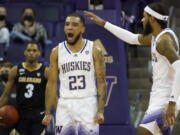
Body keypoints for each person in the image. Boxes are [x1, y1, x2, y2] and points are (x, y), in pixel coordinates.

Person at [84, 2, 180, 135]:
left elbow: (179, 69)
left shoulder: (163, 41)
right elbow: (133, 38)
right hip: (161, 97)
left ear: (152, 19)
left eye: (144, 17)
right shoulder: (157, 37)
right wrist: (104, 24)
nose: (142, 20)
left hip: (165, 100)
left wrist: (172, 103)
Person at [42, 13, 106, 135]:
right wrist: (47, 112)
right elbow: (51, 84)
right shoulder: (56, 51)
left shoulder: (94, 50)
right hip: (65, 103)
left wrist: (101, 110)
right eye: (67, 24)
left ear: (83, 29)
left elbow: (102, 82)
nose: (70, 27)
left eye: (75, 25)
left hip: (88, 103)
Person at [0, 41, 49, 135]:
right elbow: (5, 96)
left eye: (34, 50)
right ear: (24, 52)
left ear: (39, 53)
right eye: (29, 50)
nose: (31, 53)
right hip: (21, 114)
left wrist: (48, 113)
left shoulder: (46, 71)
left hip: (38, 114)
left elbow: (50, 96)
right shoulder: (15, 70)